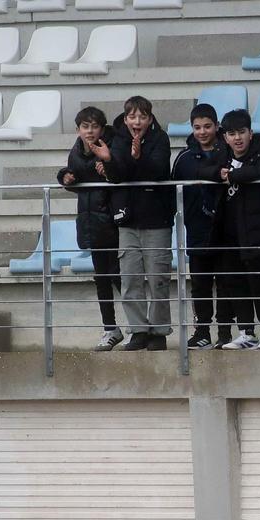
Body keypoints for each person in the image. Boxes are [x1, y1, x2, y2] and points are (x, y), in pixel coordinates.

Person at [199, 109, 260, 350]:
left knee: (259, 280)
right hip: (229, 231)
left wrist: (234, 175)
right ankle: (246, 331)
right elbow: (202, 170)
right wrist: (219, 173)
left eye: (241, 132)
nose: (237, 138)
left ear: (250, 132)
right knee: (235, 282)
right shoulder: (222, 152)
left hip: (257, 230)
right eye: (231, 134)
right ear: (224, 136)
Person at [101, 95, 176, 351]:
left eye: (142, 116)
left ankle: (159, 332)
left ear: (150, 118)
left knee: (158, 279)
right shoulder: (118, 139)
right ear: (125, 119)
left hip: (157, 219)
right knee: (130, 279)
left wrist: (138, 156)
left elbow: (157, 170)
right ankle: (138, 330)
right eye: (132, 116)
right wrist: (110, 161)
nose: (137, 121)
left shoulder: (160, 139)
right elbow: (118, 175)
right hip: (128, 220)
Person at [171, 103, 240, 350]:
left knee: (225, 282)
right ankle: (201, 331)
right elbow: (174, 192)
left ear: (216, 126)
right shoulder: (184, 158)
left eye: (207, 126)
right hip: (197, 230)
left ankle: (224, 332)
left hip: (225, 229)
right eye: (197, 127)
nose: (202, 132)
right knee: (200, 282)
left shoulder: (229, 152)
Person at [57, 106, 123, 352]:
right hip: (90, 223)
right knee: (102, 278)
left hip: (113, 221)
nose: (90, 131)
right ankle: (110, 328)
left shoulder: (112, 147)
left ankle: (140, 327)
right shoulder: (76, 152)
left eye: (95, 126)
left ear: (102, 128)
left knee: (120, 277)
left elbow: (119, 178)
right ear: (78, 129)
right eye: (85, 126)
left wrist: (109, 168)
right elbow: (78, 182)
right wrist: (65, 177)